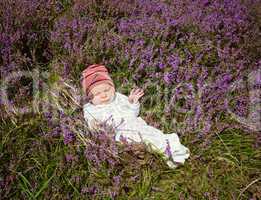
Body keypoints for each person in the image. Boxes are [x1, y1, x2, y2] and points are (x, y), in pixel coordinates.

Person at [81, 64, 190, 168]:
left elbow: (133, 114)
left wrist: (132, 103)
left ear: (113, 87)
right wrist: (94, 125)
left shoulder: (118, 98)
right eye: (97, 94)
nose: (104, 95)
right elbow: (91, 122)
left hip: (134, 124)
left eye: (107, 90)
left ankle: (170, 147)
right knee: (144, 141)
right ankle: (165, 152)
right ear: (89, 98)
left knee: (153, 134)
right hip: (119, 133)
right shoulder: (91, 109)